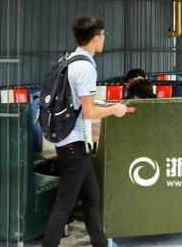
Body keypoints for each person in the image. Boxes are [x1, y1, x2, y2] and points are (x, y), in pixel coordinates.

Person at [43, 16, 130, 247]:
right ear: (95, 38)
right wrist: (114, 109)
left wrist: (102, 105)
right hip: (75, 145)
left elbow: (81, 104)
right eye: (103, 35)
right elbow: (89, 111)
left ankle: (100, 243)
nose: (104, 39)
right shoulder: (86, 68)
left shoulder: (70, 60)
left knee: (93, 197)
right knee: (64, 204)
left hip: (70, 142)